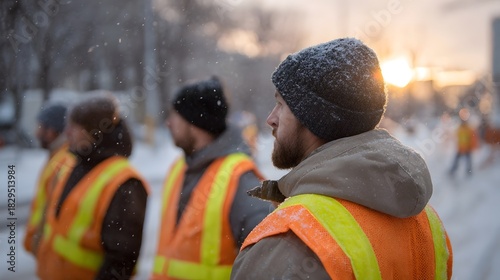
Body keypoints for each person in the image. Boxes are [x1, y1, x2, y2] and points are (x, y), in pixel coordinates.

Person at [231, 38, 453, 279]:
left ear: (315, 119)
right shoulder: (426, 224)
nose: (270, 119)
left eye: (281, 105)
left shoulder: (291, 241)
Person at [151, 76, 272, 280]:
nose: (168, 123)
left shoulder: (240, 178)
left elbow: (264, 264)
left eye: (175, 116)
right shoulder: (180, 167)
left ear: (194, 124)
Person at [36, 93, 150, 280]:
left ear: (93, 131)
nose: (67, 133)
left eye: (74, 127)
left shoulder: (125, 182)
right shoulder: (76, 164)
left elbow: (121, 260)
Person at [24, 103, 75, 256]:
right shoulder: (56, 157)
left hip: (52, 250)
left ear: (52, 131)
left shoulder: (64, 161)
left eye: (40, 127)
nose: (36, 133)